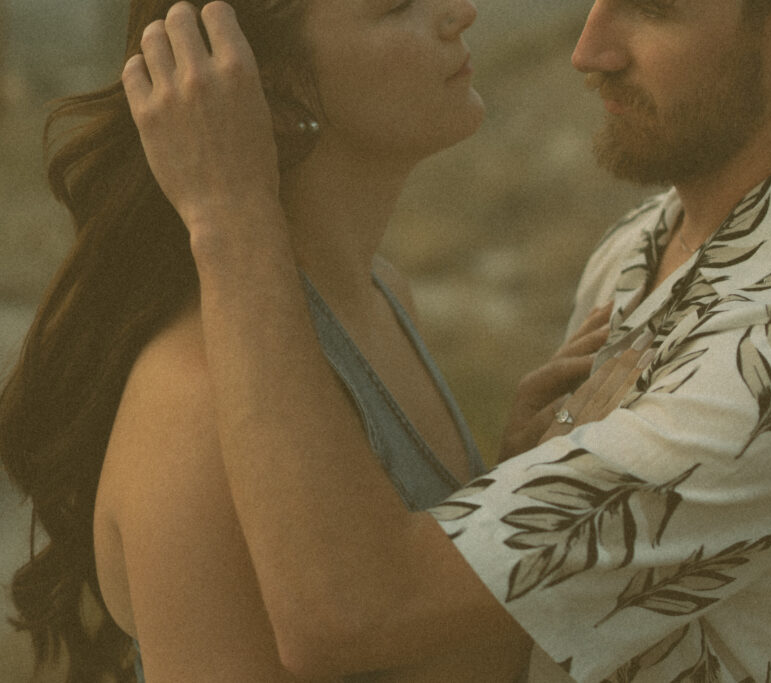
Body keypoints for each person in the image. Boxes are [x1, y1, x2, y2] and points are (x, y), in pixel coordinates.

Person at [125, 0, 771, 681]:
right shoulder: (648, 239)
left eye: (651, 8)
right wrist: (529, 480)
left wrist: (229, 214)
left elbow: (356, 609)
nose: (589, 49)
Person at [0, 0, 629, 680]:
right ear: (262, 87)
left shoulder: (382, 294)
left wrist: (510, 486)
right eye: (396, 7)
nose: (460, 12)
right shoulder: (195, 403)